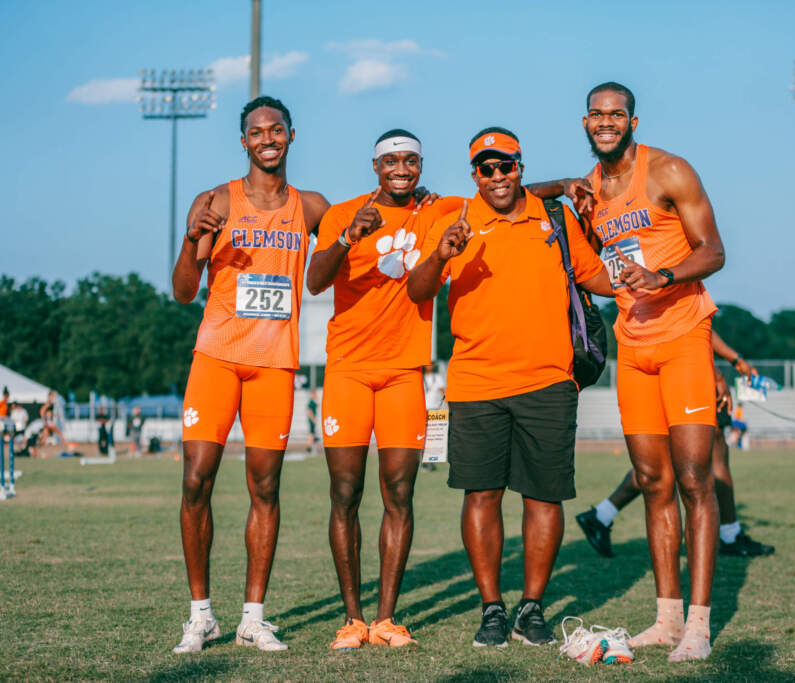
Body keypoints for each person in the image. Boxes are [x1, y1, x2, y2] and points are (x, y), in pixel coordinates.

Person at [529, 82, 726, 661]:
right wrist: (565, 186)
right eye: (597, 115)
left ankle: (699, 624)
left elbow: (713, 250)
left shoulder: (669, 171)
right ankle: (666, 620)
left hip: (684, 334)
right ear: (585, 121)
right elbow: (523, 190)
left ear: (633, 121)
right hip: (631, 344)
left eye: (616, 115)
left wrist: (664, 277)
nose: (606, 122)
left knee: (694, 479)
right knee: (653, 481)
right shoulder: (590, 188)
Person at [408, 127, 613, 648]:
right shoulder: (454, 218)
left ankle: (532, 608)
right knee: (481, 495)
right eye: (486, 167)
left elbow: (599, 279)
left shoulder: (555, 218)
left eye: (507, 166)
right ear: (473, 173)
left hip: (549, 380)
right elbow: (417, 290)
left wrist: (657, 270)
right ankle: (492, 608)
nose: (497, 176)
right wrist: (439, 255)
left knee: (544, 497)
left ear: (520, 166)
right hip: (476, 382)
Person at [169, 95, 331, 654]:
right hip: (216, 357)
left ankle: (253, 617)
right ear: (243, 141)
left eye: (276, 129)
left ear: (291, 135)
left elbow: (341, 255)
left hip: (273, 365)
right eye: (257, 131)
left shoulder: (310, 207)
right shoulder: (214, 200)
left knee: (266, 487)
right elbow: (184, 290)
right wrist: (195, 238)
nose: (267, 138)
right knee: (196, 479)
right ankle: (201, 615)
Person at [306, 128, 459, 651]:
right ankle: (352, 619)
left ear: (421, 165)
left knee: (399, 493)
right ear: (375, 166)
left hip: (404, 372)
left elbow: (500, 196)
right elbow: (315, 280)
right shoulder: (340, 213)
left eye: (411, 160)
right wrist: (350, 235)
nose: (402, 168)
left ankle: (387, 618)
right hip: (348, 368)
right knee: (345, 493)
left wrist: (570, 183)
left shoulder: (438, 211)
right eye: (391, 160)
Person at [576, 331, 775, 560]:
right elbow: (694, 324)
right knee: (707, 456)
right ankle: (730, 534)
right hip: (682, 368)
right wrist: (721, 372)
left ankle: (602, 515)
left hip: (661, 363)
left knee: (662, 463)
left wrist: (734, 361)